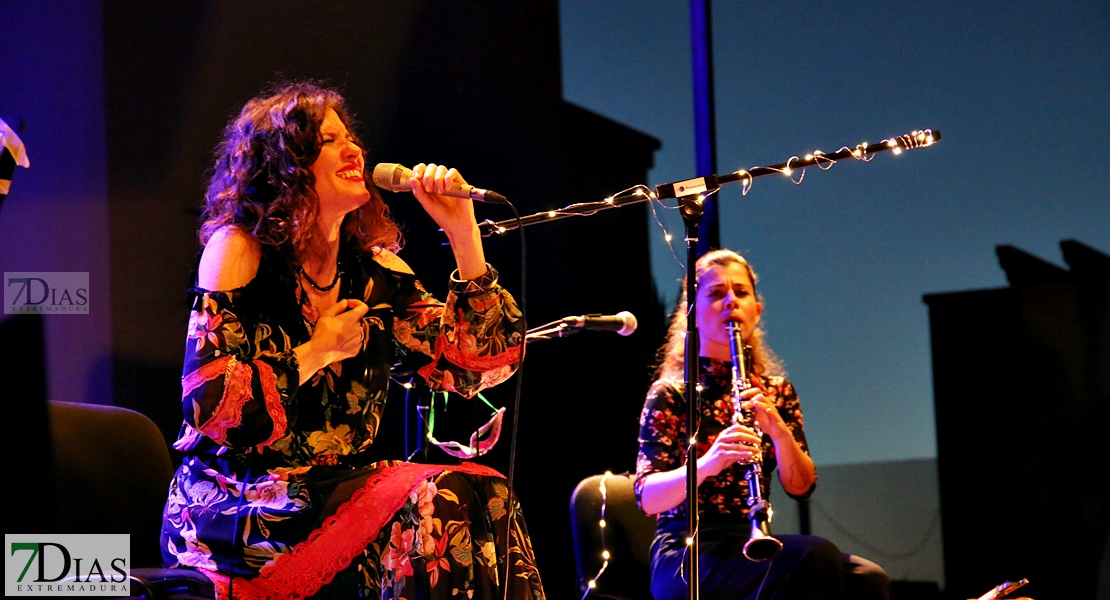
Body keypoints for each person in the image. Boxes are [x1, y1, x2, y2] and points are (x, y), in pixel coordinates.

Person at [159, 80, 545, 600]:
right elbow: (208, 406)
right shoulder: (239, 250)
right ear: (287, 167)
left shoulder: (376, 271)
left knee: (485, 489)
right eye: (328, 141)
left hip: (335, 494)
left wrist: (464, 237)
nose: (353, 150)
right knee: (438, 497)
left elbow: (479, 367)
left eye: (351, 139)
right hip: (236, 500)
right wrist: (316, 350)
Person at [634, 249, 889, 600]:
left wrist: (779, 431)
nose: (731, 303)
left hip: (750, 540)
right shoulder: (671, 393)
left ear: (758, 308)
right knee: (814, 556)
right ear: (690, 312)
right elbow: (647, 497)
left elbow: (801, 488)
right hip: (684, 551)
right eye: (716, 294)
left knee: (868, 577)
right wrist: (709, 463)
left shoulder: (776, 391)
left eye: (741, 293)